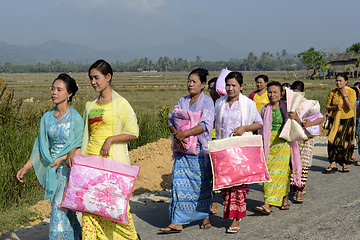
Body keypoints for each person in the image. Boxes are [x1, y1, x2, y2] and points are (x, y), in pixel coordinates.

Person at [74, 59, 140, 240]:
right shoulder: (90, 105)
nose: (93, 82)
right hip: (92, 164)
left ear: (108, 77)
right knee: (90, 209)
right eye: (91, 78)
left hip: (112, 165)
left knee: (116, 208)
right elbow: (86, 135)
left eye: (96, 78)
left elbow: (134, 132)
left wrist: (110, 140)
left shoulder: (121, 104)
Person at [16, 73, 84, 240]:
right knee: (67, 210)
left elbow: (81, 145)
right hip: (52, 170)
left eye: (59, 89)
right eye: (52, 89)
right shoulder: (46, 118)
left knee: (58, 207)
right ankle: (78, 235)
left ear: (69, 94)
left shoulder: (75, 119)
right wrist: (25, 168)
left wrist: (63, 158)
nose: (54, 92)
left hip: (69, 168)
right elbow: (40, 147)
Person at [161, 68, 214, 233]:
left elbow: (206, 124)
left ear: (203, 84)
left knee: (201, 184)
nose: (190, 84)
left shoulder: (207, 102)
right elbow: (171, 118)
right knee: (178, 183)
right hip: (181, 149)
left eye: (194, 82)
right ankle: (177, 221)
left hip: (199, 149)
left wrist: (185, 133)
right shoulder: (182, 101)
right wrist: (176, 133)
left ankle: (204, 215)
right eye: (188, 81)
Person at [214, 71, 263, 233]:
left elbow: (259, 123)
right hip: (223, 150)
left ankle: (236, 219)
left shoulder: (248, 103)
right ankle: (230, 214)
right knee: (226, 186)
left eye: (234, 85)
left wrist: (244, 128)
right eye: (228, 85)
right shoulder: (219, 103)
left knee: (238, 187)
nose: (230, 88)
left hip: (240, 151)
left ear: (241, 87)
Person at [254, 81, 302, 214]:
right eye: (270, 92)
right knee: (268, 173)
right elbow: (260, 128)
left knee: (282, 173)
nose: (272, 95)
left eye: (275, 92)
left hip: (284, 143)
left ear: (281, 94)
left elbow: (298, 122)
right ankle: (268, 202)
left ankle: (282, 199)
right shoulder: (265, 109)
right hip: (269, 144)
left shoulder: (287, 107)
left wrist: (295, 117)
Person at [288, 81, 324, 203]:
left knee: (303, 164)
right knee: (293, 164)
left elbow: (320, 117)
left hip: (307, 137)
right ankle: (295, 187)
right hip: (294, 138)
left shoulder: (309, 104)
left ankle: (299, 192)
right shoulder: (289, 104)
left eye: (298, 93)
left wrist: (310, 123)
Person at [325, 73, 356, 173]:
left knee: (345, 142)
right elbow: (328, 106)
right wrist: (335, 107)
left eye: (340, 81)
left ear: (346, 81)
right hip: (335, 120)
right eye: (337, 81)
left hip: (347, 120)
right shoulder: (333, 92)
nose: (338, 83)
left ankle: (344, 163)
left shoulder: (351, 91)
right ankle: (333, 162)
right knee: (333, 141)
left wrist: (344, 94)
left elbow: (350, 106)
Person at [207, 77, 221, 215]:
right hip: (208, 139)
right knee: (213, 172)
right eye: (209, 88)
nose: (211, 91)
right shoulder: (206, 103)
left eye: (214, 88)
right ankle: (214, 201)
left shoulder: (223, 103)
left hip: (221, 139)